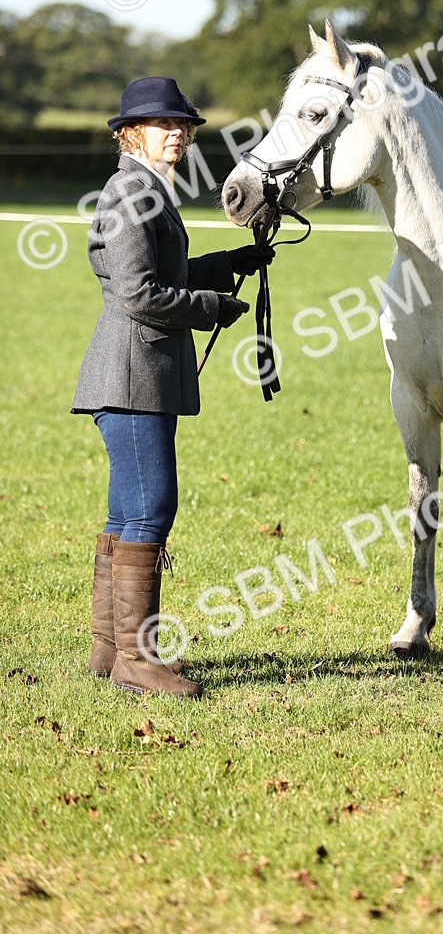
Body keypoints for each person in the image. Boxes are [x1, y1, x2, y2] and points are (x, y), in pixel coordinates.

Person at [71, 77, 272, 700]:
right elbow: (138, 293)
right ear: (132, 133)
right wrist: (210, 306)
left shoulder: (146, 187)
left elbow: (164, 273)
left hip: (138, 376)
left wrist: (227, 264)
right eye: (166, 125)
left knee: (126, 512)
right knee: (153, 507)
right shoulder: (130, 191)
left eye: (183, 125)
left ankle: (110, 650)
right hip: (132, 377)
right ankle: (137, 659)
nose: (179, 134)